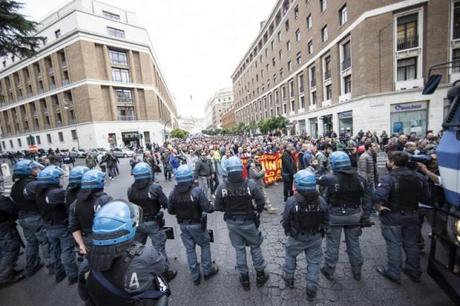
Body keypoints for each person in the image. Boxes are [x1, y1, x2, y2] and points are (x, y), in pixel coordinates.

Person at [83, 200, 170, 306]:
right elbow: (163, 267)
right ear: (128, 227)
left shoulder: (86, 264)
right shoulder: (146, 255)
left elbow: (85, 295)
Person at [214, 156, 269, 291]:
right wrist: (257, 211)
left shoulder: (223, 186)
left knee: (239, 249)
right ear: (241, 169)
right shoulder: (250, 184)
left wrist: (227, 209)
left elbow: (217, 205)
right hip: (249, 221)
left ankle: (244, 278)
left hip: (232, 222)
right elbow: (261, 200)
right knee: (255, 246)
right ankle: (260, 275)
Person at [374, 151, 429, 284]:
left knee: (394, 244)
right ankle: (414, 271)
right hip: (412, 215)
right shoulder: (419, 177)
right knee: (411, 244)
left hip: (393, 216)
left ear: (392, 162)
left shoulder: (388, 178)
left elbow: (378, 197)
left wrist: (378, 207)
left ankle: (393, 272)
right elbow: (426, 196)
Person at [318, 151, 372, 282]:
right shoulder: (361, 178)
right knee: (354, 243)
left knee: (332, 244)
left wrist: (323, 168)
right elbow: (368, 198)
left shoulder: (329, 178)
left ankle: (329, 270)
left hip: (334, 215)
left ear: (334, 164)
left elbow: (316, 181)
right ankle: (357, 271)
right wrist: (366, 215)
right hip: (354, 215)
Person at [281, 170, 328, 301]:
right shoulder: (321, 201)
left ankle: (289, 279)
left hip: (296, 237)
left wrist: (288, 231)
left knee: (290, 255)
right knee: (314, 262)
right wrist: (321, 232)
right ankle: (311, 288)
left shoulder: (292, 201)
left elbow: (285, 219)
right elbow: (326, 219)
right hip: (315, 237)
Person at [168, 165, 218, 285]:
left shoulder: (173, 193)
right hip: (197, 225)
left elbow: (170, 211)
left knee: (189, 249)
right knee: (205, 245)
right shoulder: (197, 191)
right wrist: (212, 205)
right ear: (190, 177)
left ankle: (195, 275)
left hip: (183, 225)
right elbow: (208, 208)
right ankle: (207, 270)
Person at [127, 162, 177, 282]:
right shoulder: (154, 188)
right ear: (148, 174)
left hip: (138, 222)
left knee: (136, 249)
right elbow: (166, 204)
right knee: (159, 248)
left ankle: (136, 271)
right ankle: (165, 272)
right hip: (152, 222)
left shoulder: (130, 190)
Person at [36, 166, 78, 284]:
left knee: (55, 250)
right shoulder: (57, 193)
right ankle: (72, 275)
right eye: (59, 177)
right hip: (61, 225)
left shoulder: (40, 192)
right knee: (67, 251)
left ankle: (59, 272)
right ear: (53, 179)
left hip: (48, 225)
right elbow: (69, 203)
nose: (61, 179)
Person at [10, 160, 51, 276]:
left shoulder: (15, 186)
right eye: (34, 168)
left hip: (23, 217)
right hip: (34, 216)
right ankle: (52, 265)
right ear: (27, 171)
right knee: (45, 241)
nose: (37, 170)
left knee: (31, 242)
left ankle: (31, 266)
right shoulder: (32, 184)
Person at [0, 194, 24, 288]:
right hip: (3, 226)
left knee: (3, 250)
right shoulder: (1, 199)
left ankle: (7, 271)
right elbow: (12, 209)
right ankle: (4, 276)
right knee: (10, 249)